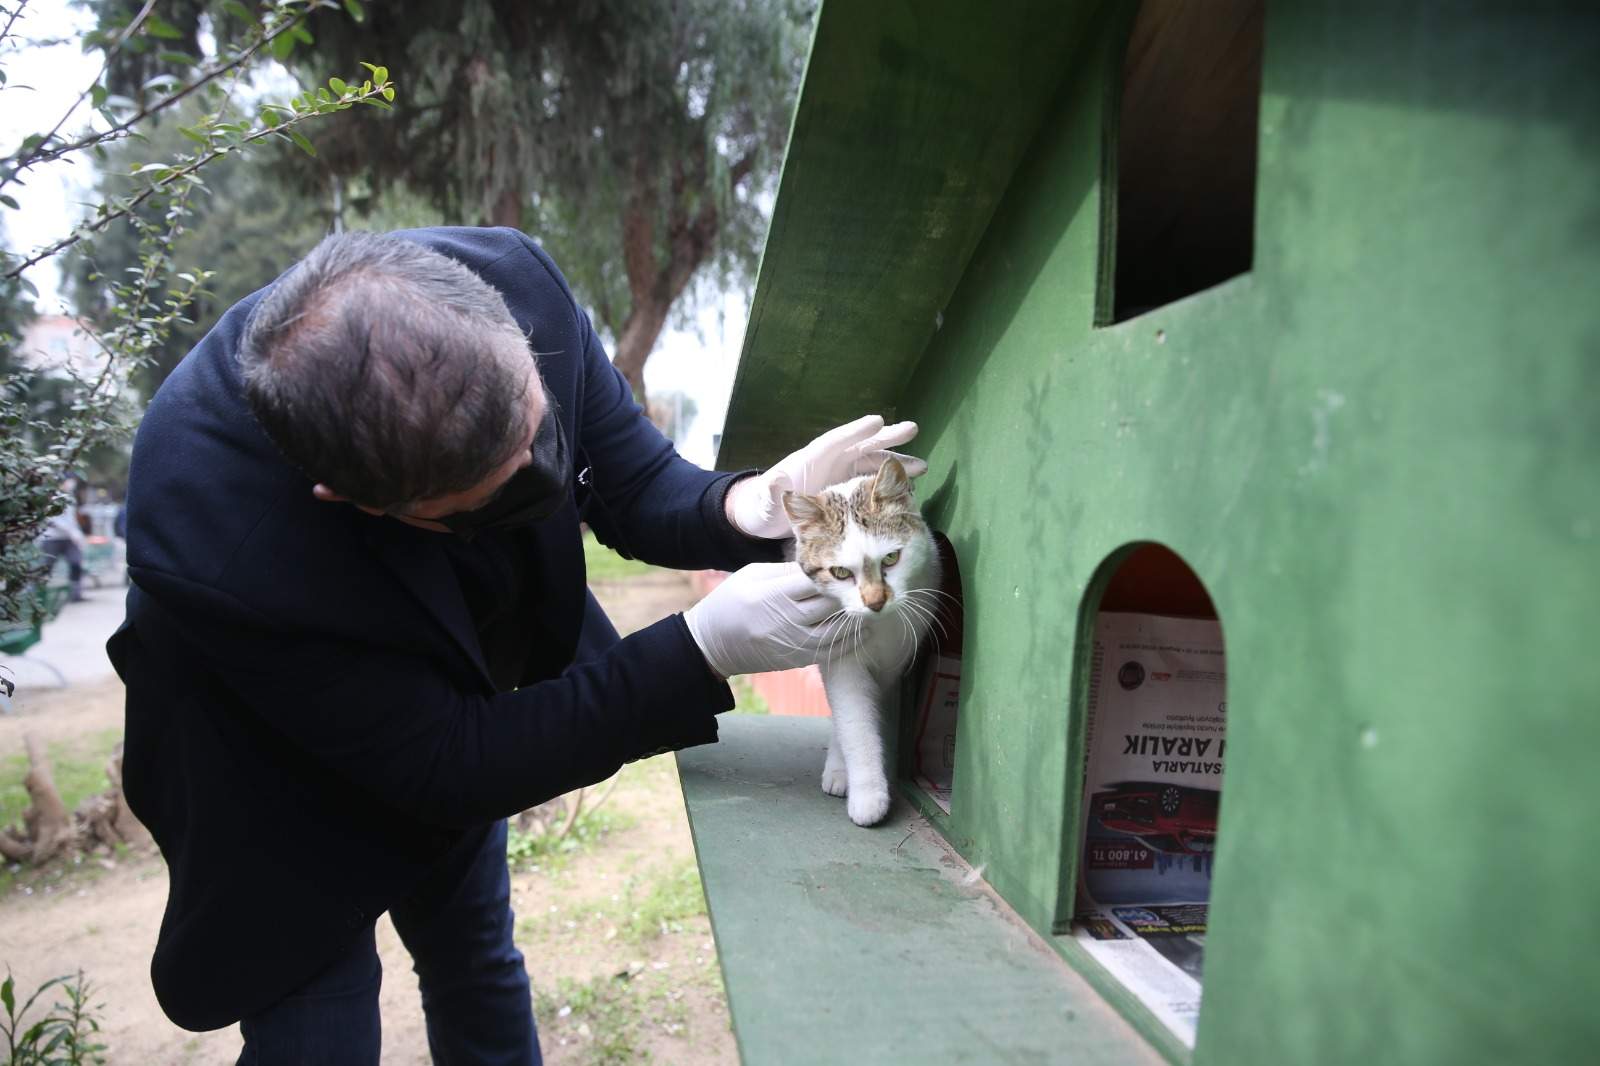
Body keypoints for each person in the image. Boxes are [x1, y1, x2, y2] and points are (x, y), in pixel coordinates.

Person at [108, 227, 924, 1065]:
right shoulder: (212, 541)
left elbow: (632, 483)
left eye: (540, 436)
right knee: (320, 1023)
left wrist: (751, 502)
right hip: (274, 778)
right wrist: (699, 648)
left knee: (474, 956)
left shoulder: (514, 281)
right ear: (354, 499)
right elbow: (449, 762)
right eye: (490, 497)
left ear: (510, 335)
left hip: (456, 685)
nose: (544, 483)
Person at [38, 476, 87, 602]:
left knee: (76, 563)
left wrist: (78, 534)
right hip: (52, 539)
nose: (71, 484)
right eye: (69, 481)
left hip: (69, 539)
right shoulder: (52, 497)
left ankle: (76, 594)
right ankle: (39, 595)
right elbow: (53, 519)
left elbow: (72, 519)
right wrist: (72, 532)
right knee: (46, 567)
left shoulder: (70, 498)